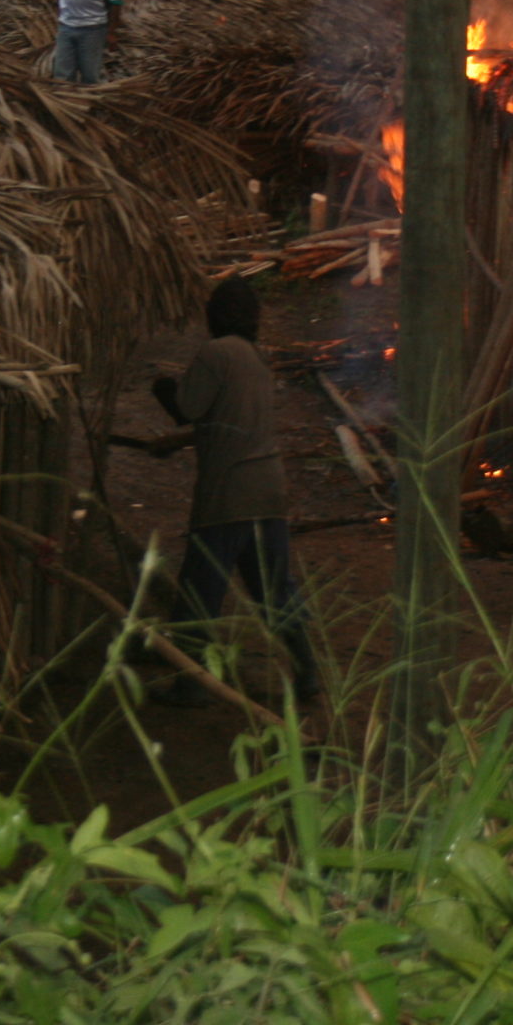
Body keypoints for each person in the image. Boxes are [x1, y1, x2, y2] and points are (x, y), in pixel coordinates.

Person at [148, 276, 320, 705]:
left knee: (199, 593)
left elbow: (186, 409)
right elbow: (230, 423)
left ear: (216, 314)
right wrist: (179, 444)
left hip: (228, 495)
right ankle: (307, 675)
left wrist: (161, 387)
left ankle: (192, 683)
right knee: (274, 591)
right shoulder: (255, 360)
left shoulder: (216, 353)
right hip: (268, 490)